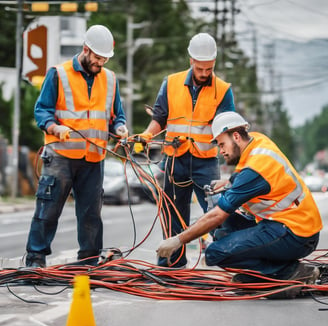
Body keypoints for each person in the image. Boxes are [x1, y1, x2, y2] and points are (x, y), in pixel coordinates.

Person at [157, 111, 323, 291]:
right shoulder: (256, 141)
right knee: (221, 234)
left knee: (215, 253)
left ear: (236, 136)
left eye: (222, 144)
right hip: (288, 226)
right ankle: (267, 272)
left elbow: (218, 215)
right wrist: (229, 182)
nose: (221, 151)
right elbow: (244, 169)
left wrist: (178, 240)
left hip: (296, 235)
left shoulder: (256, 169)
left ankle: (288, 272)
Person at [25, 25, 128, 267]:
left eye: (104, 59)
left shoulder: (110, 79)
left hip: (94, 158)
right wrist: (54, 128)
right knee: (48, 211)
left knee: (91, 214)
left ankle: (89, 262)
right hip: (60, 156)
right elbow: (42, 111)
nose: (100, 63)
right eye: (97, 57)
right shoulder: (58, 74)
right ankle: (35, 260)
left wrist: (120, 129)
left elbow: (117, 116)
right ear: (85, 50)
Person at [139, 33, 235, 268]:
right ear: (191, 60)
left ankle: (233, 258)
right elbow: (160, 117)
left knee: (217, 212)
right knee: (172, 213)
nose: (204, 73)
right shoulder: (171, 83)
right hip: (175, 160)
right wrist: (145, 136)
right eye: (200, 68)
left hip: (205, 162)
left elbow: (227, 125)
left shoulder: (222, 90)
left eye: (209, 69)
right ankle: (172, 263)